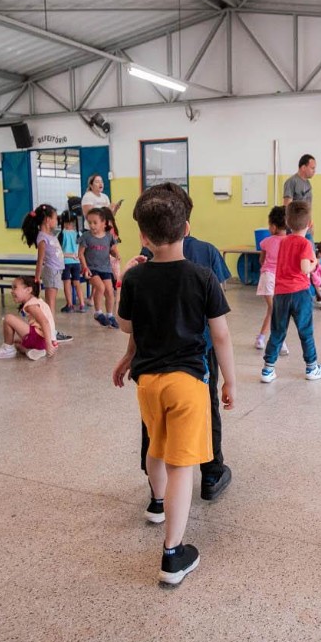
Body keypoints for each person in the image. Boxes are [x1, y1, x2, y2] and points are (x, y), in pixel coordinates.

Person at [110, 184, 236, 585]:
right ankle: (172, 555)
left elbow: (126, 324)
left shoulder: (135, 278)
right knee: (183, 464)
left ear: (143, 236)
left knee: (156, 445)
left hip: (147, 382)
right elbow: (222, 337)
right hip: (188, 382)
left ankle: (157, 502)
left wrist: (125, 280)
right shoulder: (203, 276)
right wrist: (229, 381)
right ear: (187, 228)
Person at [130, 184, 235, 502]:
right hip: (199, 352)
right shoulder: (208, 252)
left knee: (154, 418)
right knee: (207, 410)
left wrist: (129, 352)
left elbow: (136, 316)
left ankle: (156, 490)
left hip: (154, 352)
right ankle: (211, 473)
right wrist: (230, 379)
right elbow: (220, 309)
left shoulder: (149, 254)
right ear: (187, 221)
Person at [261, 200, 321, 384]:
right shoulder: (306, 243)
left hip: (281, 294)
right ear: (309, 224)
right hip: (299, 293)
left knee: (278, 331)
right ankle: (312, 367)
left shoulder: (283, 242)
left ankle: (268, 369)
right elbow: (304, 268)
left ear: (288, 222)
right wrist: (315, 263)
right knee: (305, 331)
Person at [21, 204, 72, 343]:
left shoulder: (50, 236)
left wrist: (71, 255)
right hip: (50, 272)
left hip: (55, 272)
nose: (57, 221)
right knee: (50, 305)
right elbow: (41, 260)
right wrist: (37, 277)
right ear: (47, 220)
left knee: (51, 304)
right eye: (55, 218)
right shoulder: (43, 238)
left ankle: (51, 331)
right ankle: (51, 333)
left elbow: (56, 253)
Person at [0, 276, 58, 361]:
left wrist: (48, 344)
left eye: (15, 288)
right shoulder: (38, 301)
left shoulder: (32, 305)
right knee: (16, 342)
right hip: (46, 341)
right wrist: (49, 343)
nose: (11, 291)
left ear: (28, 290)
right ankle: (29, 351)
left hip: (42, 339)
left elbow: (45, 322)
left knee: (8, 318)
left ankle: (8, 350)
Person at [255, 205, 290, 353]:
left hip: (268, 278)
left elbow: (261, 261)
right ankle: (279, 341)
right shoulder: (290, 242)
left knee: (273, 309)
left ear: (274, 227)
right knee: (276, 310)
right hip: (279, 280)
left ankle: (261, 337)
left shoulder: (266, 241)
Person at [79, 208, 120, 328]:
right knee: (100, 287)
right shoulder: (86, 236)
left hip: (105, 268)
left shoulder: (108, 237)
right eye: (89, 222)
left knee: (110, 291)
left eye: (95, 222)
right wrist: (85, 268)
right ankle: (98, 312)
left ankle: (110, 315)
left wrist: (116, 254)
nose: (91, 225)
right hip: (91, 269)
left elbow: (112, 250)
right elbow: (81, 254)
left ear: (104, 223)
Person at [58, 213, 86, 314]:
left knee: (66, 283)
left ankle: (69, 305)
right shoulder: (79, 233)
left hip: (65, 262)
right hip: (77, 262)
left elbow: (58, 250)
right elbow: (83, 248)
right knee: (77, 283)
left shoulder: (62, 234)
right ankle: (82, 304)